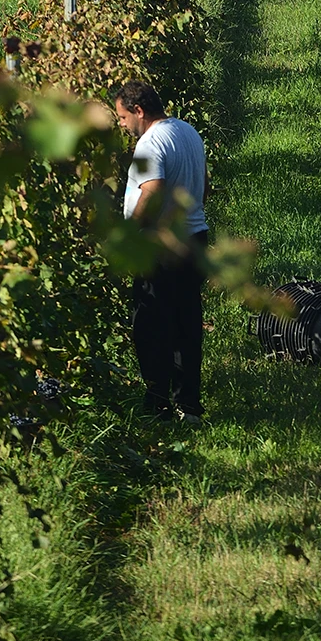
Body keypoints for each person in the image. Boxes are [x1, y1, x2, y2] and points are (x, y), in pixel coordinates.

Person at [114, 80, 209, 425]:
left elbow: (151, 191)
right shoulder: (188, 132)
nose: (122, 126)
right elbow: (204, 185)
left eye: (123, 118)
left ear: (139, 111)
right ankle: (190, 405)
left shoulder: (150, 143)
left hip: (160, 244)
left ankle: (158, 407)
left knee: (152, 326)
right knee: (186, 325)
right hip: (195, 238)